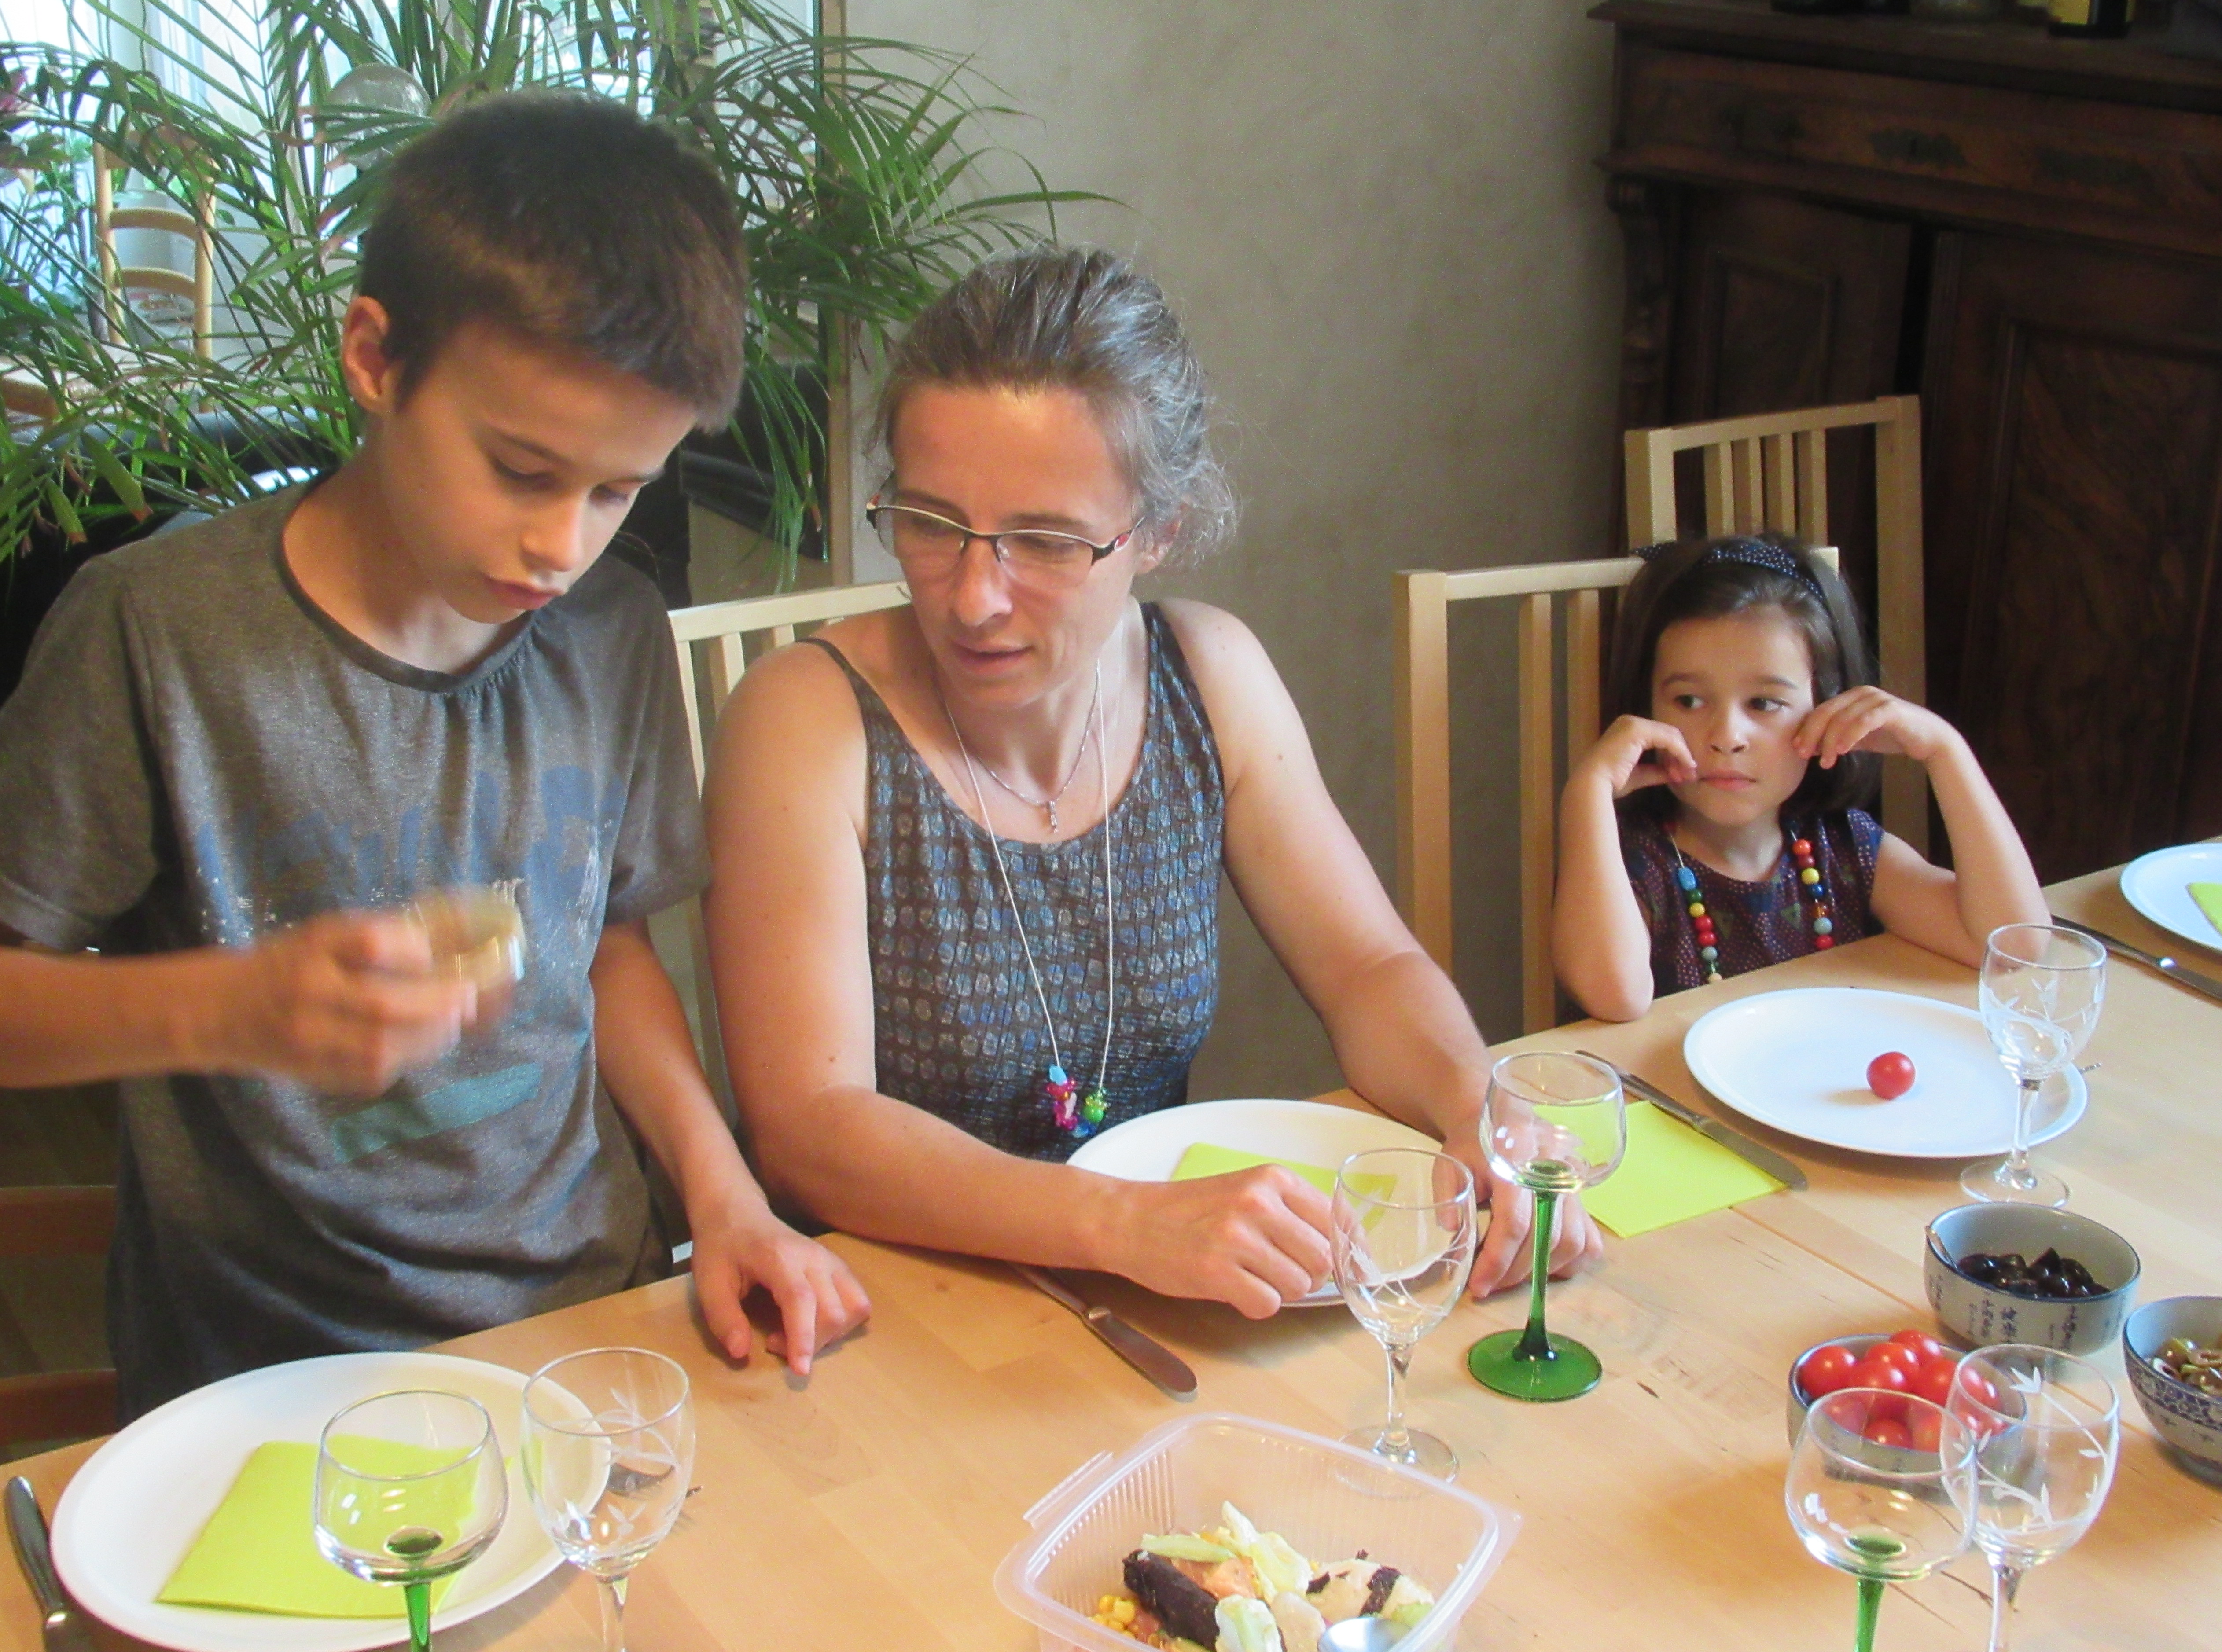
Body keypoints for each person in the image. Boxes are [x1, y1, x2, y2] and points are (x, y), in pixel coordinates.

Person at [0, 92, 865, 1417]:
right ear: (375, 356)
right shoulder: (157, 633)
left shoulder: (612, 628)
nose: (561, 546)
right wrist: (224, 1008)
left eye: (618, 489)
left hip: (590, 1321)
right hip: (273, 1377)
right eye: (520, 470)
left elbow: (608, 948)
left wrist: (726, 1195)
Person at [704, 246, 1596, 1318]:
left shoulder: (1207, 675)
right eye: (932, 524)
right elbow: (807, 1129)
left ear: (1158, 531)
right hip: (890, 1316)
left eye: (1043, 541)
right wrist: (1122, 1225)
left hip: (1153, 1302)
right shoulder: (806, 719)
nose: (974, 597)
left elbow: (1366, 965)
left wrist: (1476, 1107)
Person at [1552, 533, 2046, 1023]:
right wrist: (1588, 792)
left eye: (1764, 703)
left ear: (1828, 708)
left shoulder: (1842, 850)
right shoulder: (1635, 863)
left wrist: (1945, 751)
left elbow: (2016, 944)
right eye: (1689, 701)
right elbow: (1614, 996)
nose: (1727, 737)